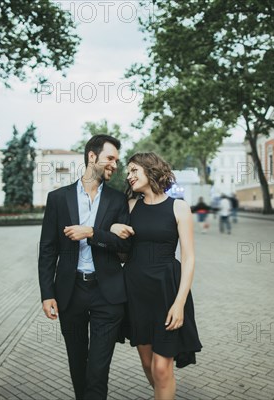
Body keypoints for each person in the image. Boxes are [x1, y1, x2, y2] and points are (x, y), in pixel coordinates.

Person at [38, 135, 133, 400]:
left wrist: (92, 232)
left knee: (98, 370)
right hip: (71, 292)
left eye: (117, 159)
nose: (115, 164)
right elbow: (48, 249)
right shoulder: (58, 198)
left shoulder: (117, 200)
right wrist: (47, 294)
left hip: (108, 294)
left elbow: (125, 245)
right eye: (110, 158)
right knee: (78, 365)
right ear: (92, 157)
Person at [110, 152, 202, 400]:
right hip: (136, 293)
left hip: (167, 292)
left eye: (133, 171)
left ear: (150, 170)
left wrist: (180, 303)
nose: (128, 176)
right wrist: (112, 227)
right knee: (149, 365)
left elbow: (189, 258)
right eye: (127, 172)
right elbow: (116, 247)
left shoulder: (179, 207)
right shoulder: (128, 206)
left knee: (162, 369)